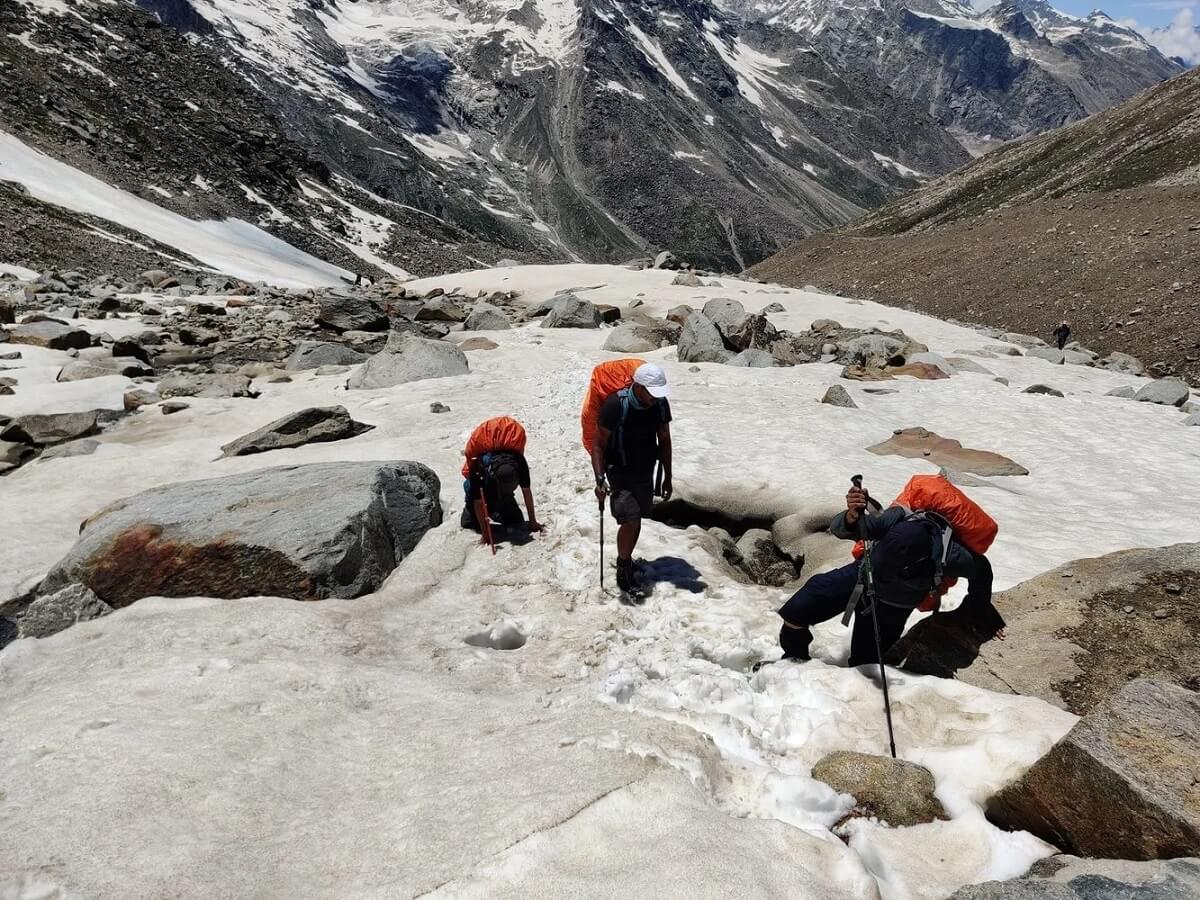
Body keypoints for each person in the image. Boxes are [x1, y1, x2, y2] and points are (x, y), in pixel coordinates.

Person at [774, 483, 1004, 666]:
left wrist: (979, 610)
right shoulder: (895, 519)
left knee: (865, 664)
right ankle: (794, 661)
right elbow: (847, 529)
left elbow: (982, 571)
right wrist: (851, 517)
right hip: (862, 576)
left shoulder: (949, 555)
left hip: (893, 605)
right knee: (797, 611)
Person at [591, 362, 673, 599]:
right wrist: (599, 478)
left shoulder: (660, 405)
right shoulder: (615, 405)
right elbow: (598, 444)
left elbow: (665, 440)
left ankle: (625, 561)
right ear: (638, 386)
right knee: (631, 519)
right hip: (619, 471)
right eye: (651, 393)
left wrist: (667, 476)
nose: (655, 399)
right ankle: (623, 569)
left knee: (637, 519)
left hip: (645, 470)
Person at [460, 416, 543, 540]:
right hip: (482, 488)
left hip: (502, 493)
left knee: (515, 521)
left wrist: (533, 522)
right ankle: (471, 511)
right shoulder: (479, 467)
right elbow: (478, 502)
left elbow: (526, 491)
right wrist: (485, 533)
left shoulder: (519, 462)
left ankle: (500, 505)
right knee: (469, 524)